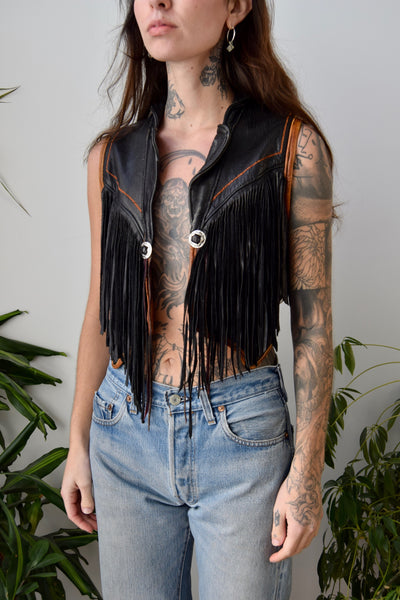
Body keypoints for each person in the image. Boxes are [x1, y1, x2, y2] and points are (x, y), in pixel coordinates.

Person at [61, 0, 333, 598]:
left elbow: (313, 327)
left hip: (240, 435)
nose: (156, 3)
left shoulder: (292, 149)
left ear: (235, 7)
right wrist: (78, 442)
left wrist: (307, 471)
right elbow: (101, 308)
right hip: (124, 429)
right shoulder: (111, 157)